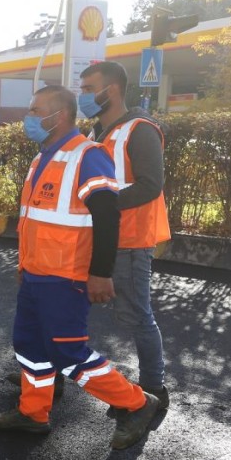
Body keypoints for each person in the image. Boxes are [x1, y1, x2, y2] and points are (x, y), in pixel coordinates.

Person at [0, 86, 160, 450]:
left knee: (67, 352)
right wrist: (24, 265)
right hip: (36, 274)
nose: (28, 117)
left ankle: (137, 403)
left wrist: (101, 273)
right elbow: (35, 220)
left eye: (35, 110)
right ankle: (33, 414)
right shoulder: (42, 158)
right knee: (29, 345)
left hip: (67, 276)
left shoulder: (88, 155)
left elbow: (108, 217)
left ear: (59, 115)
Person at [80, 61, 171, 409]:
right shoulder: (94, 133)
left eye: (89, 89)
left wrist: (104, 201)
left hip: (130, 241)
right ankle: (51, 375)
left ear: (111, 90)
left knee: (136, 316)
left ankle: (153, 389)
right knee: (70, 305)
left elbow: (151, 185)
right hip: (95, 237)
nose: (83, 96)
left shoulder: (141, 129)